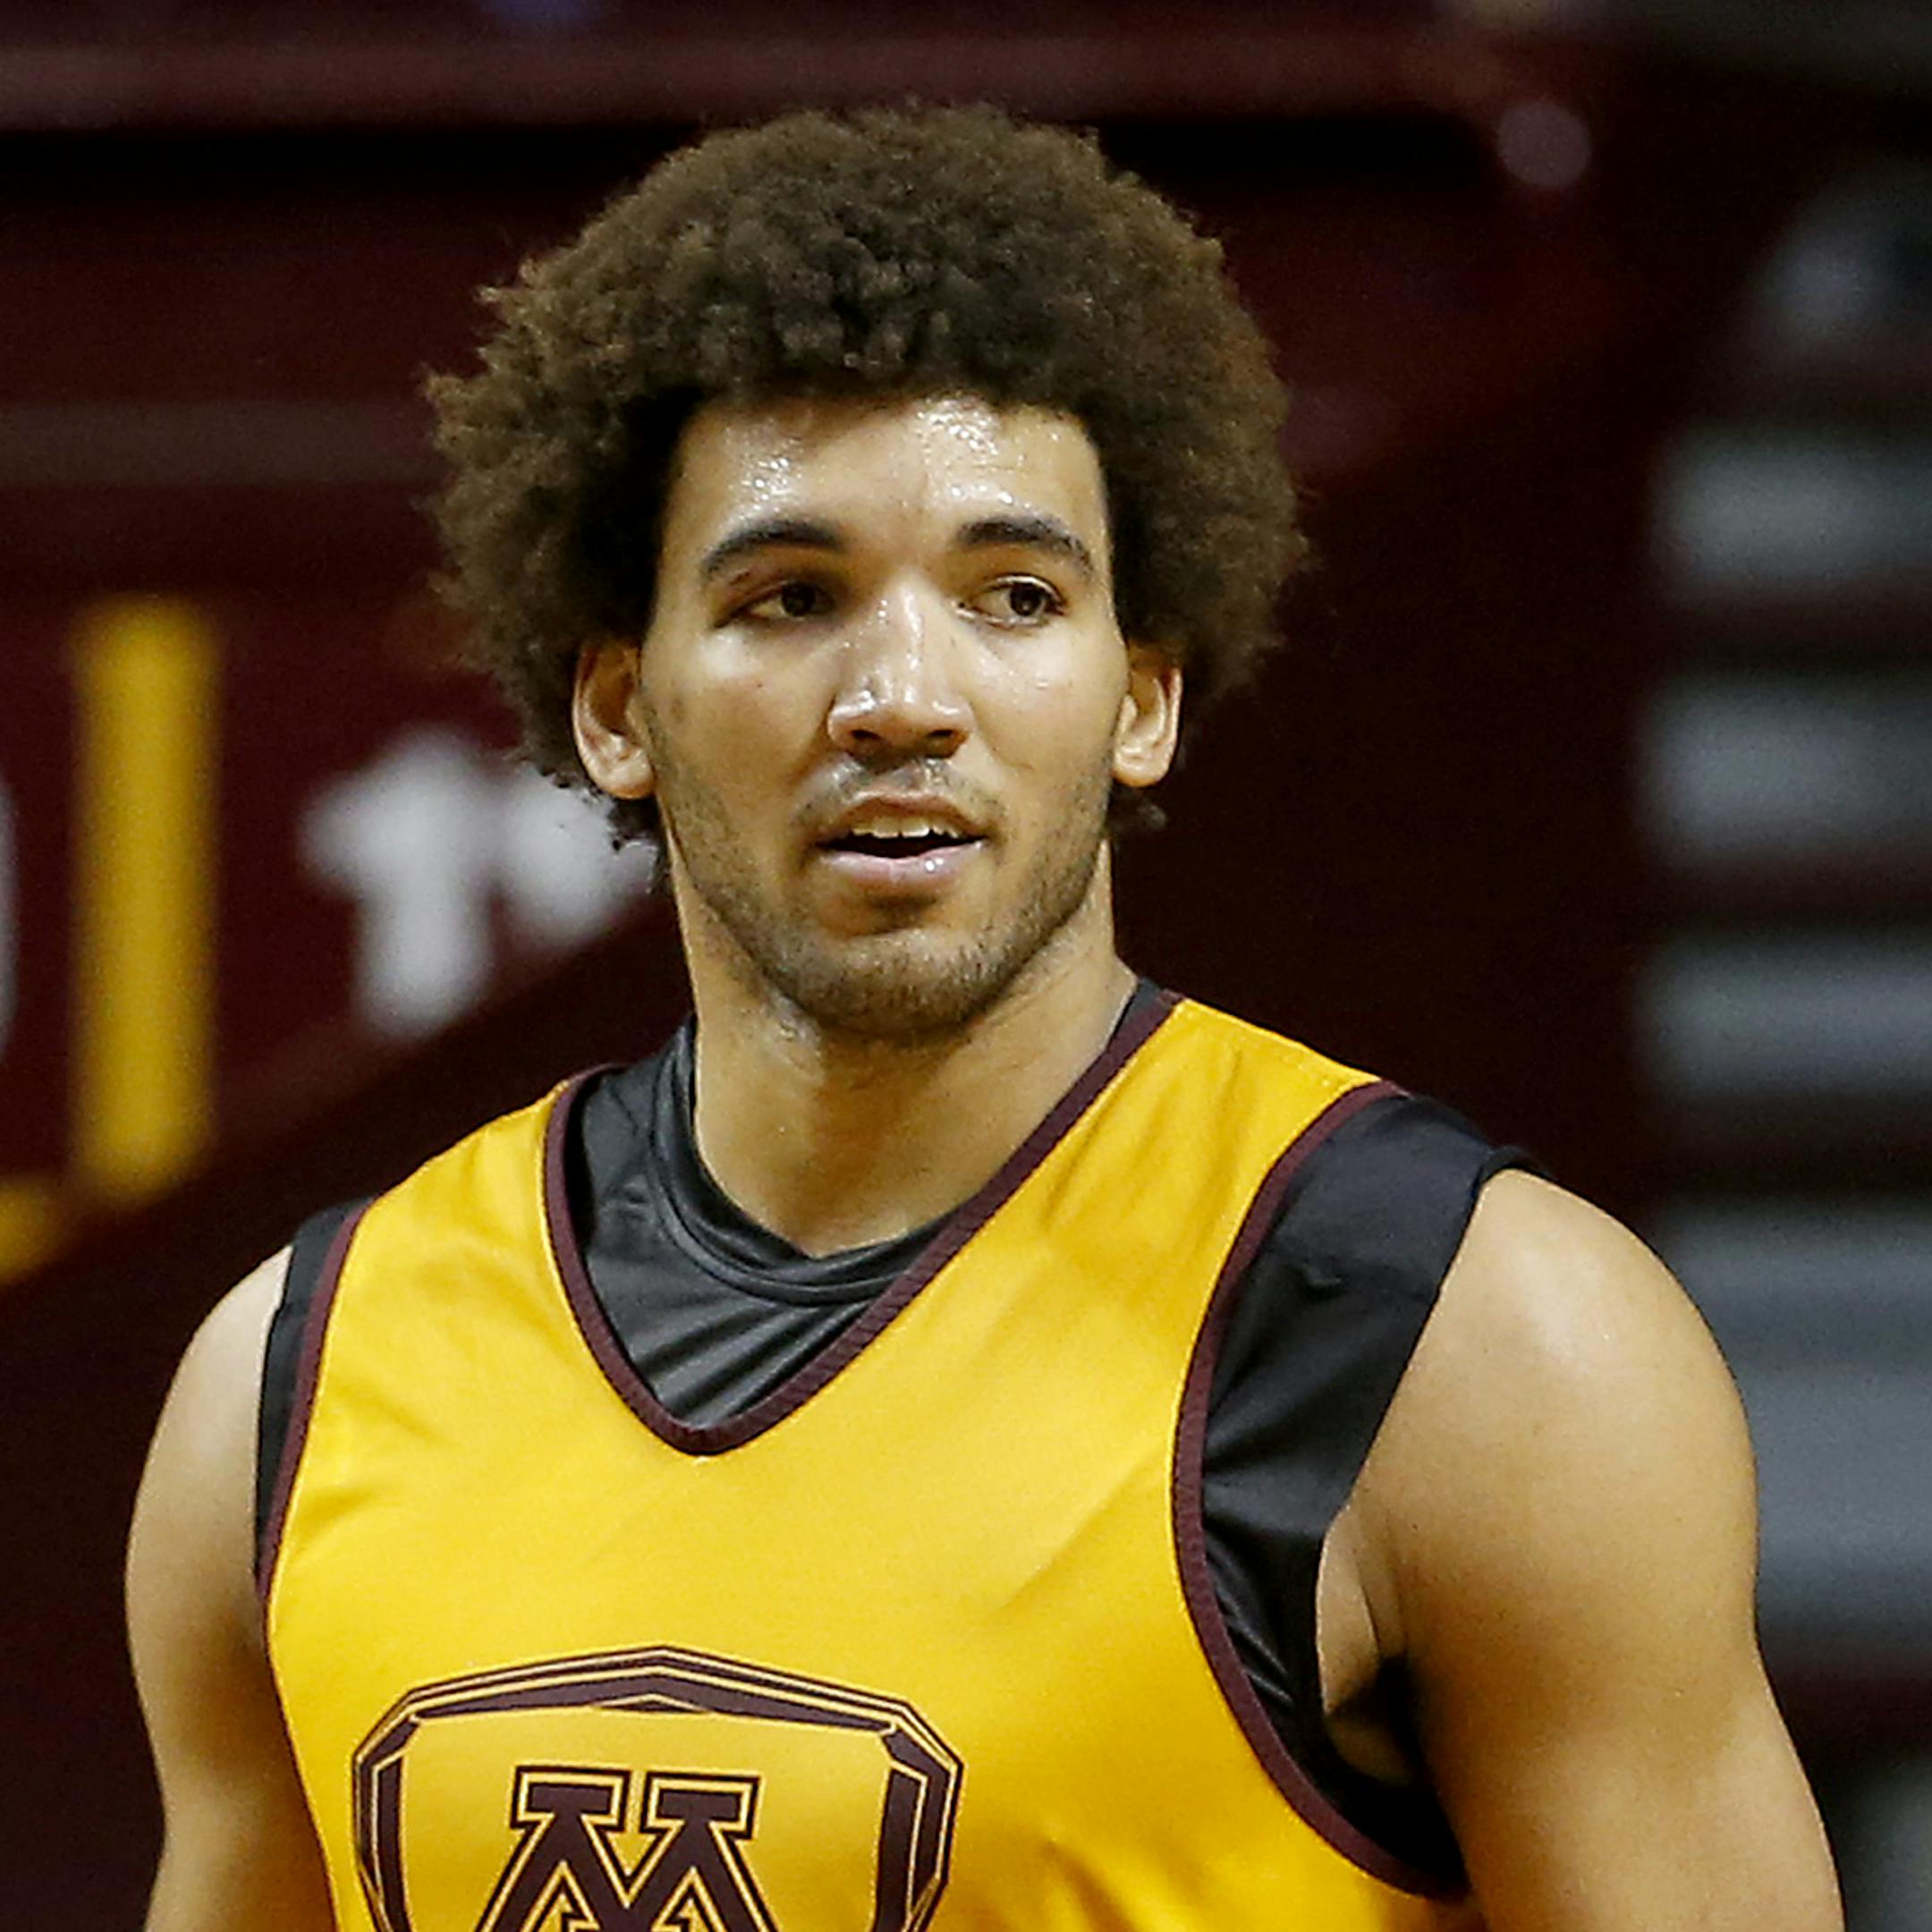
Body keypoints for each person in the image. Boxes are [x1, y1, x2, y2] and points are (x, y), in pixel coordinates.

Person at [128, 106, 1842, 1932]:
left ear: (1142, 699)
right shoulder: (293, 1385)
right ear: (619, 707)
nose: (902, 696)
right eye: (791, 599)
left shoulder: (1476, 1351)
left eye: (1014, 597)